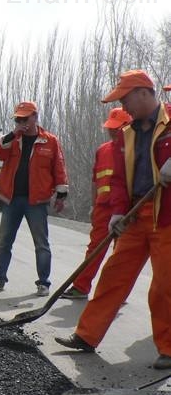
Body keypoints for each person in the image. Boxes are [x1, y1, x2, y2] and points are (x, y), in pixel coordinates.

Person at [55, 70, 171, 370]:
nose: (124, 105)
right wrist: (118, 212)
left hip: (166, 216)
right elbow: (119, 178)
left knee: (163, 285)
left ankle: (169, 349)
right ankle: (86, 336)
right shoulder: (127, 134)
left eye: (125, 97)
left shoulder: (170, 121)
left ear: (144, 92)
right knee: (112, 276)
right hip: (136, 215)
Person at [0, 101, 68, 297]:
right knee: (4, 242)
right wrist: (13, 133)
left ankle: (43, 283)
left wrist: (61, 194)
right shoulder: (12, 140)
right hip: (11, 200)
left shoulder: (50, 141)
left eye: (25, 118)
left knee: (41, 244)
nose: (22, 122)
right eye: (18, 119)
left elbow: (59, 167)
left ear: (35, 117)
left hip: (36, 202)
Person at [61, 107, 132, 300]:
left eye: (116, 128)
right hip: (103, 208)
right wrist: (93, 205)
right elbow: (95, 180)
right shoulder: (103, 150)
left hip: (127, 208)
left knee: (122, 253)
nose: (111, 131)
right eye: (110, 127)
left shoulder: (135, 149)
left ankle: (118, 293)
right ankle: (81, 287)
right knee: (95, 249)